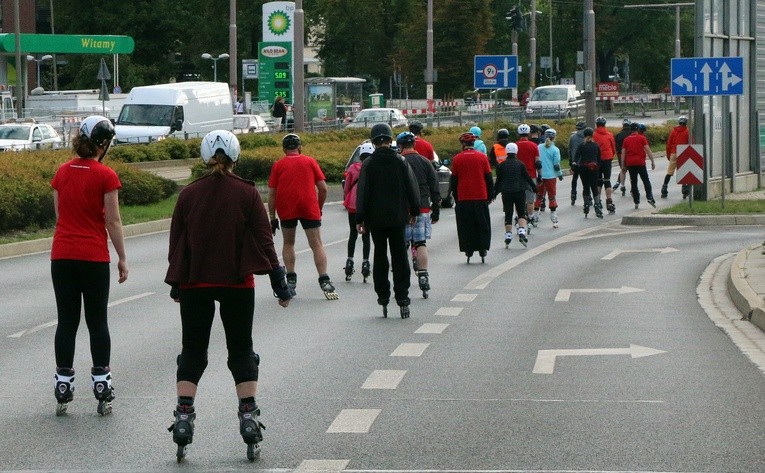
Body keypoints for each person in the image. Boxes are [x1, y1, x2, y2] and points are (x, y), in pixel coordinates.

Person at [165, 130, 293, 462]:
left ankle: (183, 416)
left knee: (192, 351)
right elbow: (265, 241)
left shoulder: (188, 195)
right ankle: (248, 417)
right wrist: (280, 283)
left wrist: (177, 283)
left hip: (195, 283)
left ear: (204, 158)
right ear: (236, 158)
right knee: (241, 350)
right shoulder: (248, 194)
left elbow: (177, 243)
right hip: (237, 282)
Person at [50, 115, 127, 417]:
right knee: (97, 321)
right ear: (104, 144)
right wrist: (121, 256)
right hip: (94, 257)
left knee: (66, 321)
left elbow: (59, 215)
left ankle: (63, 383)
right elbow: (112, 220)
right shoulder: (106, 175)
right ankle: (101, 383)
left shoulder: (62, 173)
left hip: (63, 255)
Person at [355, 123, 420, 318]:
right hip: (398, 216)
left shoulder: (368, 164)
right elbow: (411, 186)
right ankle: (403, 298)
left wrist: (360, 218)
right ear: (390, 140)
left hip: (376, 219)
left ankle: (383, 296)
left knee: (380, 257)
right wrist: (414, 210)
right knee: (400, 256)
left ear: (373, 142)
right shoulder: (400, 161)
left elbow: (362, 192)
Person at [268, 133, 338, 300]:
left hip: (287, 207)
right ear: (299, 148)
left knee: (288, 243)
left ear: (284, 149)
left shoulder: (278, 165)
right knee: (316, 244)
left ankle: (291, 278)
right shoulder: (309, 161)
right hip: (308, 206)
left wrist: (272, 217)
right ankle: (324, 279)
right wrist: (318, 207)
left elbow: (272, 194)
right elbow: (323, 188)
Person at [397, 131, 441, 298]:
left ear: (400, 146)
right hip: (422, 208)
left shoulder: (399, 162)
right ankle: (423, 275)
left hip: (402, 210)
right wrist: (435, 209)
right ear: (414, 145)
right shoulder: (425, 162)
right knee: (420, 243)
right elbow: (434, 187)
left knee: (402, 245)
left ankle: (402, 276)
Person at [449, 132, 493, 263]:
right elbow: (488, 178)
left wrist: (456, 197)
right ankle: (483, 247)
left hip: (464, 197)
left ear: (463, 144)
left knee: (466, 225)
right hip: (480, 196)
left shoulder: (457, 159)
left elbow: (454, 180)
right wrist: (490, 195)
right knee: (482, 224)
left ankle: (468, 249)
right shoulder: (482, 158)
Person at [494, 142, 536, 248]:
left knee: (508, 213)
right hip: (519, 191)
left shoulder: (501, 166)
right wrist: (534, 188)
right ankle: (522, 231)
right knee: (521, 212)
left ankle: (508, 235)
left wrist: (494, 193)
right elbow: (527, 177)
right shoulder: (520, 164)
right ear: (516, 151)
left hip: (506, 193)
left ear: (507, 152)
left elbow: (498, 181)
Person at [342, 142, 374, 283]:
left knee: (352, 234)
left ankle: (349, 261)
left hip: (353, 204)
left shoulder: (353, 168)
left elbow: (347, 187)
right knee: (366, 235)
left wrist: (348, 198)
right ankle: (366, 263)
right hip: (368, 205)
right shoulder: (374, 168)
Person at [621, 122, 657, 209]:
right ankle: (649, 197)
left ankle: (636, 201)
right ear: (637, 130)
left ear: (630, 130)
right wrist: (652, 161)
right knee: (645, 180)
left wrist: (623, 165)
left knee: (634, 182)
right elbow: (648, 150)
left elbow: (623, 154)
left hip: (630, 163)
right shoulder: (642, 138)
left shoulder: (626, 140)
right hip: (640, 163)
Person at [535, 128, 563, 227]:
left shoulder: (538, 147)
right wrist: (559, 174)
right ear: (554, 137)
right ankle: (554, 219)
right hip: (551, 176)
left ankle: (535, 217)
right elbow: (556, 165)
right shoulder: (555, 149)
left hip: (540, 175)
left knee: (539, 196)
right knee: (552, 197)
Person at [515, 124, 541, 227]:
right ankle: (530, 218)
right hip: (531, 175)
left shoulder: (515, 145)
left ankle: (518, 218)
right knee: (530, 200)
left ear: (518, 134)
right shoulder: (534, 146)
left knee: (518, 200)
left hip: (518, 176)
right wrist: (540, 175)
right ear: (529, 134)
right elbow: (538, 163)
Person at [573, 127, 603, 218]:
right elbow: (599, 158)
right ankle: (597, 205)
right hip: (593, 168)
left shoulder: (581, 145)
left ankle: (586, 204)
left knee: (586, 186)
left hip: (583, 168)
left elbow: (576, 158)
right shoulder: (596, 145)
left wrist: (574, 165)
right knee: (594, 187)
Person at [592, 116, 618, 214]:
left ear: (596, 124)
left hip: (597, 160)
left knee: (598, 181)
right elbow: (613, 147)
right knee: (607, 180)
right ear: (604, 124)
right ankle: (609, 201)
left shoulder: (594, 135)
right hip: (607, 159)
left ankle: (597, 201)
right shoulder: (609, 134)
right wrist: (611, 155)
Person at [662, 116, 691, 199]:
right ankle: (684, 189)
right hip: (683, 153)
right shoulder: (687, 131)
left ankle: (664, 188)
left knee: (669, 172)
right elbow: (691, 143)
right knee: (683, 172)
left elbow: (668, 144)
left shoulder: (673, 132)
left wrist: (668, 155)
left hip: (673, 153)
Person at [568, 121, 586, 205]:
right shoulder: (587, 138)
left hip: (575, 162)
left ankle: (573, 194)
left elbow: (570, 150)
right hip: (584, 162)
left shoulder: (572, 137)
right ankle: (587, 197)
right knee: (585, 181)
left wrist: (571, 162)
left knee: (574, 179)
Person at [613, 118, 632, 196]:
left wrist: (619, 153)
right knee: (631, 171)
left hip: (621, 154)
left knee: (623, 169)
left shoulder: (618, 135)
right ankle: (632, 188)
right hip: (630, 154)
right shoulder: (632, 134)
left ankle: (622, 185)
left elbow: (616, 147)